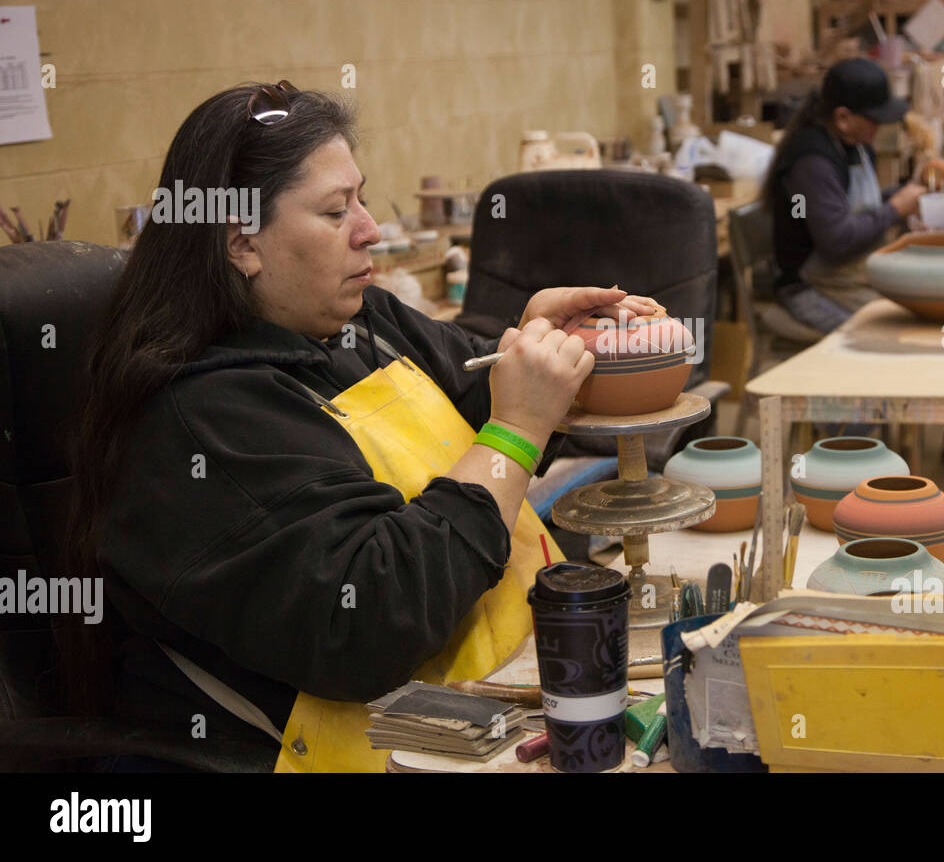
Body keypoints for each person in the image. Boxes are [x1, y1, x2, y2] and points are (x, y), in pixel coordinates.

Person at [62, 81, 661, 770]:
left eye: (363, 198)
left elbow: (473, 415)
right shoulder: (199, 420)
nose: (370, 228)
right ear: (242, 245)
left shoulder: (360, 325)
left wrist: (532, 356)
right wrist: (518, 427)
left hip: (509, 695)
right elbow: (373, 617)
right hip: (377, 747)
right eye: (335, 211)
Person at [764, 58, 944, 467]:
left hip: (851, 276)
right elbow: (835, 241)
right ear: (843, 116)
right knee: (895, 340)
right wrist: (894, 208)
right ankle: (840, 448)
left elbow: (857, 204)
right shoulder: (811, 160)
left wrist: (904, 194)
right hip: (808, 286)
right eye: (874, 119)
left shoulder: (852, 143)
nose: (881, 127)